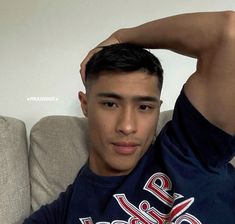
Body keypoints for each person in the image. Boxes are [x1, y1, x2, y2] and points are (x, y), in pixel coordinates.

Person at [24, 11, 235, 223]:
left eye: (144, 107)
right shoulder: (60, 215)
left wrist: (121, 37)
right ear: (85, 105)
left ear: (157, 108)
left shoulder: (191, 149)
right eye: (110, 104)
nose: (127, 126)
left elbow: (228, 31)